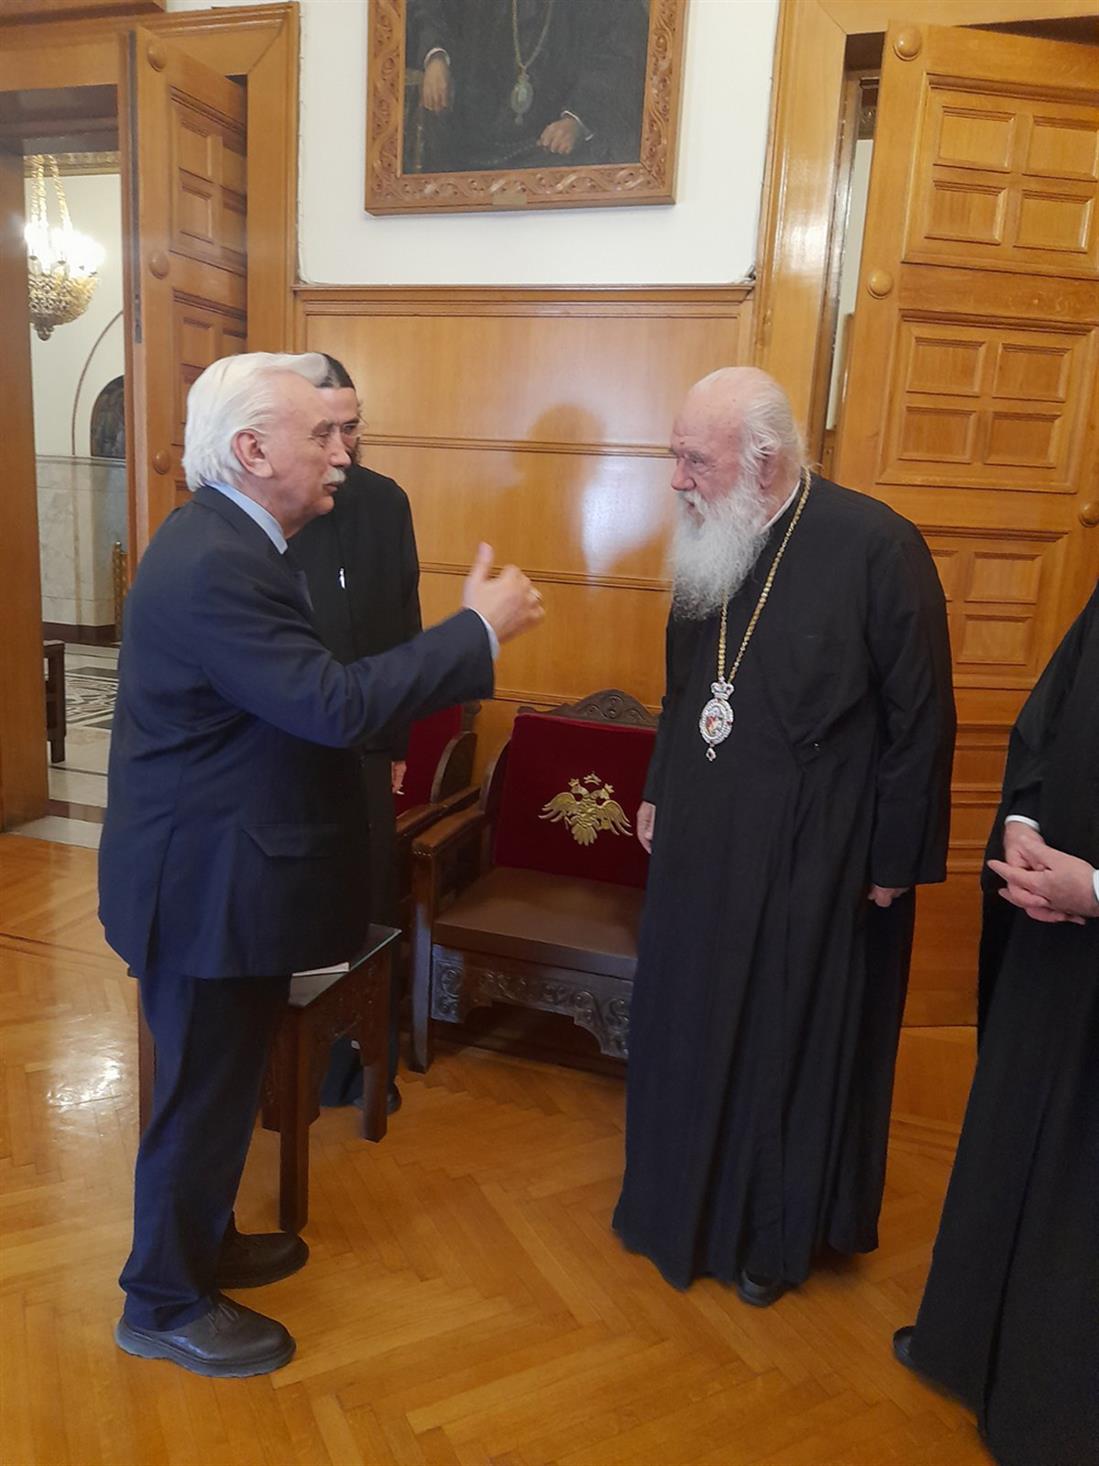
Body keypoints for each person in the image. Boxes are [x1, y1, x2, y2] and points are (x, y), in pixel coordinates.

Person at [100, 351, 544, 1378]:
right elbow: (333, 704)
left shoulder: (234, 542)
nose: (342, 453)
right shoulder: (218, 560)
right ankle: (161, 1301)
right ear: (252, 451)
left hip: (224, 877)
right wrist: (474, 633)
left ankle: (201, 1246)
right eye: (320, 435)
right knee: (200, 1099)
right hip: (202, 889)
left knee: (220, 1090)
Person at [613, 367, 956, 1305]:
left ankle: (767, 1238)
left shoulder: (877, 545)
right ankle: (673, 1207)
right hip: (702, 839)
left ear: (762, 462)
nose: (677, 479)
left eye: (695, 459)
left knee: (782, 1038)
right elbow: (684, 686)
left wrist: (892, 859)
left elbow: (920, 719)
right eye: (675, 455)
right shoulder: (707, 536)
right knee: (686, 1017)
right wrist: (659, 786)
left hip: (815, 849)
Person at [893, 582, 1098, 1466]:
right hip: (1051, 936)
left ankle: (1050, 1408)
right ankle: (968, 1346)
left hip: (1081, 906)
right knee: (1011, 1141)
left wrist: (1095, 889)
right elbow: (1049, 715)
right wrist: (1022, 821)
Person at [292, 354, 421, 1116]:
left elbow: (402, 626)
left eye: (353, 427)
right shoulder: (274, 507)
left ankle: (362, 1067)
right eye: (327, 430)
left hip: (368, 744)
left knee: (367, 907)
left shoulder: (384, 501)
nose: (342, 448)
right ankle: (290, 1070)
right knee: (296, 906)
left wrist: (398, 741)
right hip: (289, 743)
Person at [406, 0, 650, 173]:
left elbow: (623, 53)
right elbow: (428, 10)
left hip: (554, 146)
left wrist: (577, 120)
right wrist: (436, 57)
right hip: (469, 137)